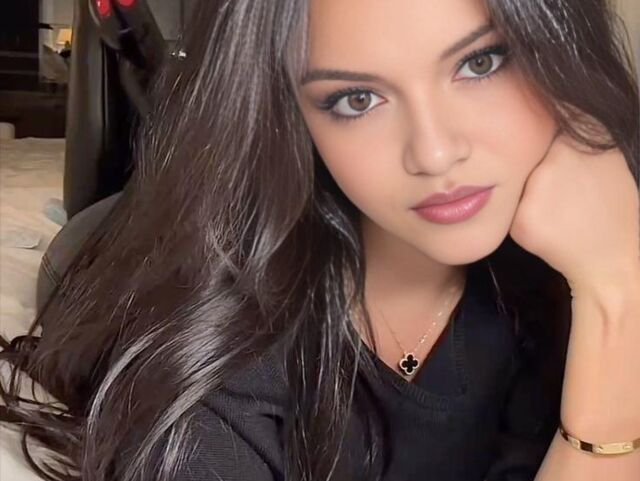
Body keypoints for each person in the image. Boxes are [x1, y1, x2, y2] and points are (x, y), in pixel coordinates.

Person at [1, 0, 639, 480]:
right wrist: (619, 298)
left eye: (481, 62)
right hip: (104, 238)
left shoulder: (577, 247)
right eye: (357, 99)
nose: (436, 153)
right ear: (294, 116)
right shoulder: (222, 367)